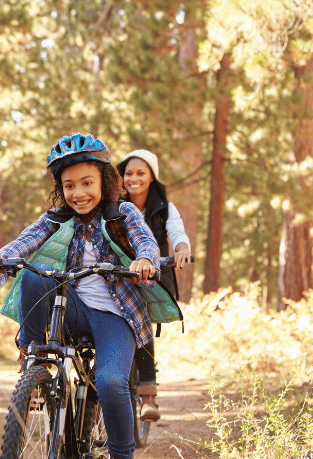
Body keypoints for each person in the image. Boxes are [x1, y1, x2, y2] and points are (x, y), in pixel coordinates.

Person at [0, 133, 160, 459]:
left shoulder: (123, 212)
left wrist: (144, 259)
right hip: (74, 308)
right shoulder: (57, 217)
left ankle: (122, 454)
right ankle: (35, 360)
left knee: (109, 383)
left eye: (87, 183)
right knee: (36, 270)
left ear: (104, 181)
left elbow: (144, 240)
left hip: (115, 315)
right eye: (69, 185)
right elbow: (25, 242)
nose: (78, 193)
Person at [117, 150, 192, 422]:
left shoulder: (165, 208)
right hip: (115, 273)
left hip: (150, 277)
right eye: (128, 173)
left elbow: (178, 234)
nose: (133, 178)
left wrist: (182, 250)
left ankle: (148, 393)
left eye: (140, 173)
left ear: (152, 178)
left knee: (141, 316)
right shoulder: (112, 203)